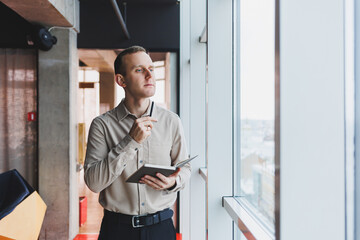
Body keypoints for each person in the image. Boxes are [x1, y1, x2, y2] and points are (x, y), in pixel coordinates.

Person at [84, 46, 191, 240]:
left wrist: (173, 181)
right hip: (117, 230)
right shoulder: (102, 125)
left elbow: (185, 167)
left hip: (162, 228)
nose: (150, 75)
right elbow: (93, 183)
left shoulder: (171, 121)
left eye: (151, 68)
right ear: (121, 80)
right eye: (140, 70)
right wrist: (131, 141)